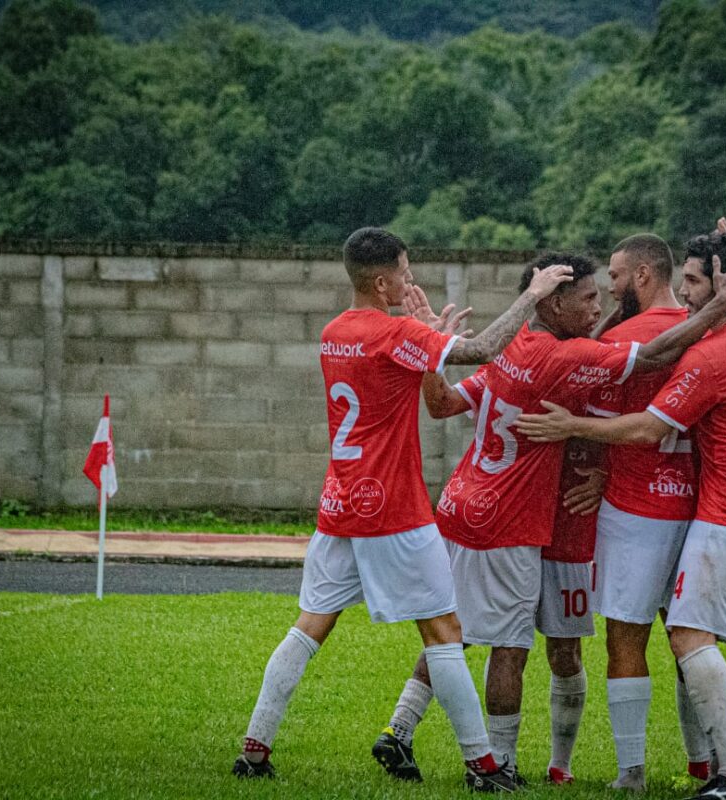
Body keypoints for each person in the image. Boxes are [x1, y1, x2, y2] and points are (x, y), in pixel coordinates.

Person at [372, 250, 726, 786]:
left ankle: (400, 730)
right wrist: (723, 305)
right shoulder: (563, 356)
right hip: (506, 518)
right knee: (509, 647)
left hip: (461, 504)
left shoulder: (512, 348)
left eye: (603, 292)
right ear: (551, 302)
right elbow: (651, 357)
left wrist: (428, 354)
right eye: (588, 298)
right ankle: (497, 765)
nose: (599, 306)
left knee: (456, 633)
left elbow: (439, 405)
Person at [232, 227, 574, 793]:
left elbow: (393, 373)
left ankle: (254, 747)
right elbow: (483, 350)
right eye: (407, 273)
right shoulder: (394, 333)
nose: (412, 281)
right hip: (393, 509)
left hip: (340, 503)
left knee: (309, 627)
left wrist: (424, 341)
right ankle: (482, 767)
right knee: (445, 632)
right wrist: (531, 295)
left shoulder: (333, 332)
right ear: (384, 280)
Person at [516, 230, 726, 800]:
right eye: (682, 281)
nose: (687, 293)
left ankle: (701, 777)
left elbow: (645, 427)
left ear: (719, 284)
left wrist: (575, 433)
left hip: (703, 514)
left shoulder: (701, 348)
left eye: (696, 281)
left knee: (661, 638)